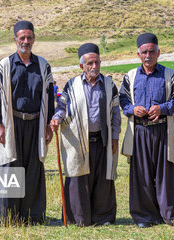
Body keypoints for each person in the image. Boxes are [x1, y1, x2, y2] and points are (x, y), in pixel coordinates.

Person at [0, 20, 54, 225]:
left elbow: (49, 96)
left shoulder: (43, 65)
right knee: (10, 167)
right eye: (22, 38)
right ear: (15, 39)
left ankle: (32, 216)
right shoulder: (5, 65)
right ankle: (6, 217)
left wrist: (48, 125)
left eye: (29, 37)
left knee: (33, 168)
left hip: (36, 123)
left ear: (34, 39)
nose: (26, 41)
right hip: (12, 124)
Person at [50, 43, 121, 226]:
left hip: (102, 140)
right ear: (82, 65)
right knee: (78, 178)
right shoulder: (72, 85)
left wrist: (114, 137)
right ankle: (77, 218)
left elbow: (115, 114)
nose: (94, 67)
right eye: (90, 63)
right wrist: (57, 118)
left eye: (97, 62)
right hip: (78, 140)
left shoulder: (108, 84)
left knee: (102, 180)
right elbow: (62, 107)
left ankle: (103, 217)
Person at [119, 33, 174, 228]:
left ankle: (170, 215)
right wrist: (133, 109)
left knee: (166, 173)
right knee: (141, 175)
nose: (148, 55)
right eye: (144, 52)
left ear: (159, 52)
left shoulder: (169, 74)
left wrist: (162, 108)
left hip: (163, 131)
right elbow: (122, 100)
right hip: (139, 132)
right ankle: (144, 217)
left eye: (152, 51)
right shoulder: (130, 76)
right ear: (138, 54)